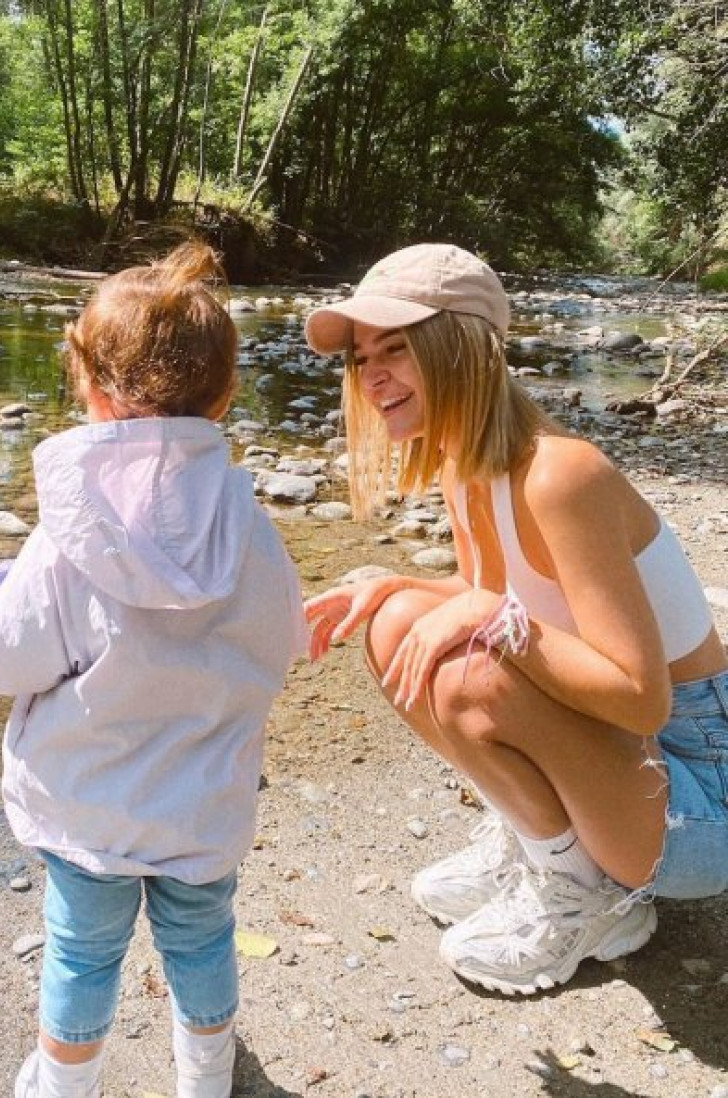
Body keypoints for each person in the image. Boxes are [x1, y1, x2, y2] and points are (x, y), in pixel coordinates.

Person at [303, 243, 728, 996]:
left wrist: (493, 615)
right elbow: (487, 590)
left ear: (464, 346)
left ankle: (590, 898)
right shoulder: (466, 464)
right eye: (360, 358)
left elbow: (642, 698)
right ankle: (547, 849)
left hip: (703, 795)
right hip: (636, 763)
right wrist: (391, 584)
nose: (370, 376)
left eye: (395, 348)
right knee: (393, 622)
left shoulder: (562, 474)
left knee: (476, 674)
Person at [0, 243, 307, 1098]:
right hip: (204, 804)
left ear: (89, 386)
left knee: (80, 952)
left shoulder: (70, 537)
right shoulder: (249, 525)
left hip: (90, 809)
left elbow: (3, 661)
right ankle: (206, 1077)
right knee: (203, 941)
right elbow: (282, 637)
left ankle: (67, 1085)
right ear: (223, 393)